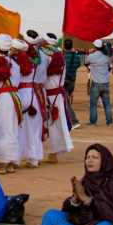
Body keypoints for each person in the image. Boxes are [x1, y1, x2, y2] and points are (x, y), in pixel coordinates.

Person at [0, 33, 23, 174]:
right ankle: (10, 162)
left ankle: (3, 163)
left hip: (3, 98)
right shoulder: (15, 64)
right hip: (15, 97)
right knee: (12, 129)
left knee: (3, 129)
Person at [41, 32, 73, 162]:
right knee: (57, 123)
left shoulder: (45, 57)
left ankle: (53, 153)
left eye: (43, 40)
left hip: (50, 94)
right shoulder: (59, 56)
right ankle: (53, 152)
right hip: (57, 93)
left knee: (54, 123)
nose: (41, 41)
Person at [15, 35, 44, 168]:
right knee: (34, 128)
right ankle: (34, 158)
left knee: (20, 128)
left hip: (21, 94)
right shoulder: (37, 59)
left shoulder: (15, 62)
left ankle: (18, 158)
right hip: (34, 94)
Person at [83, 39, 113, 127]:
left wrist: (90, 67)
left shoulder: (92, 56)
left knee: (93, 103)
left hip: (96, 82)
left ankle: (93, 122)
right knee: (107, 103)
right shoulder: (107, 57)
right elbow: (110, 66)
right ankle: (110, 122)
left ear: (95, 47)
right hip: (105, 82)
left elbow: (86, 63)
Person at [62, 39, 82, 128]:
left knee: (65, 102)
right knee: (64, 101)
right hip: (72, 81)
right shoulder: (76, 57)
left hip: (63, 81)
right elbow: (78, 65)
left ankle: (74, 120)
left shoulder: (62, 56)